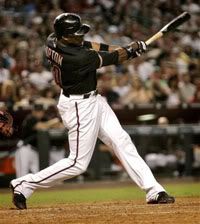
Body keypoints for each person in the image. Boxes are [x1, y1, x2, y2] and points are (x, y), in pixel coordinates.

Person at [10, 13, 175, 209]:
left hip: (93, 99)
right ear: (64, 36)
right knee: (77, 163)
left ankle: (153, 190)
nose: (80, 37)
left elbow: (91, 46)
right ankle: (25, 184)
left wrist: (131, 48)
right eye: (76, 34)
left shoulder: (53, 40)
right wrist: (131, 51)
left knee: (121, 141)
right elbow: (112, 58)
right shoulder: (77, 59)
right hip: (80, 107)